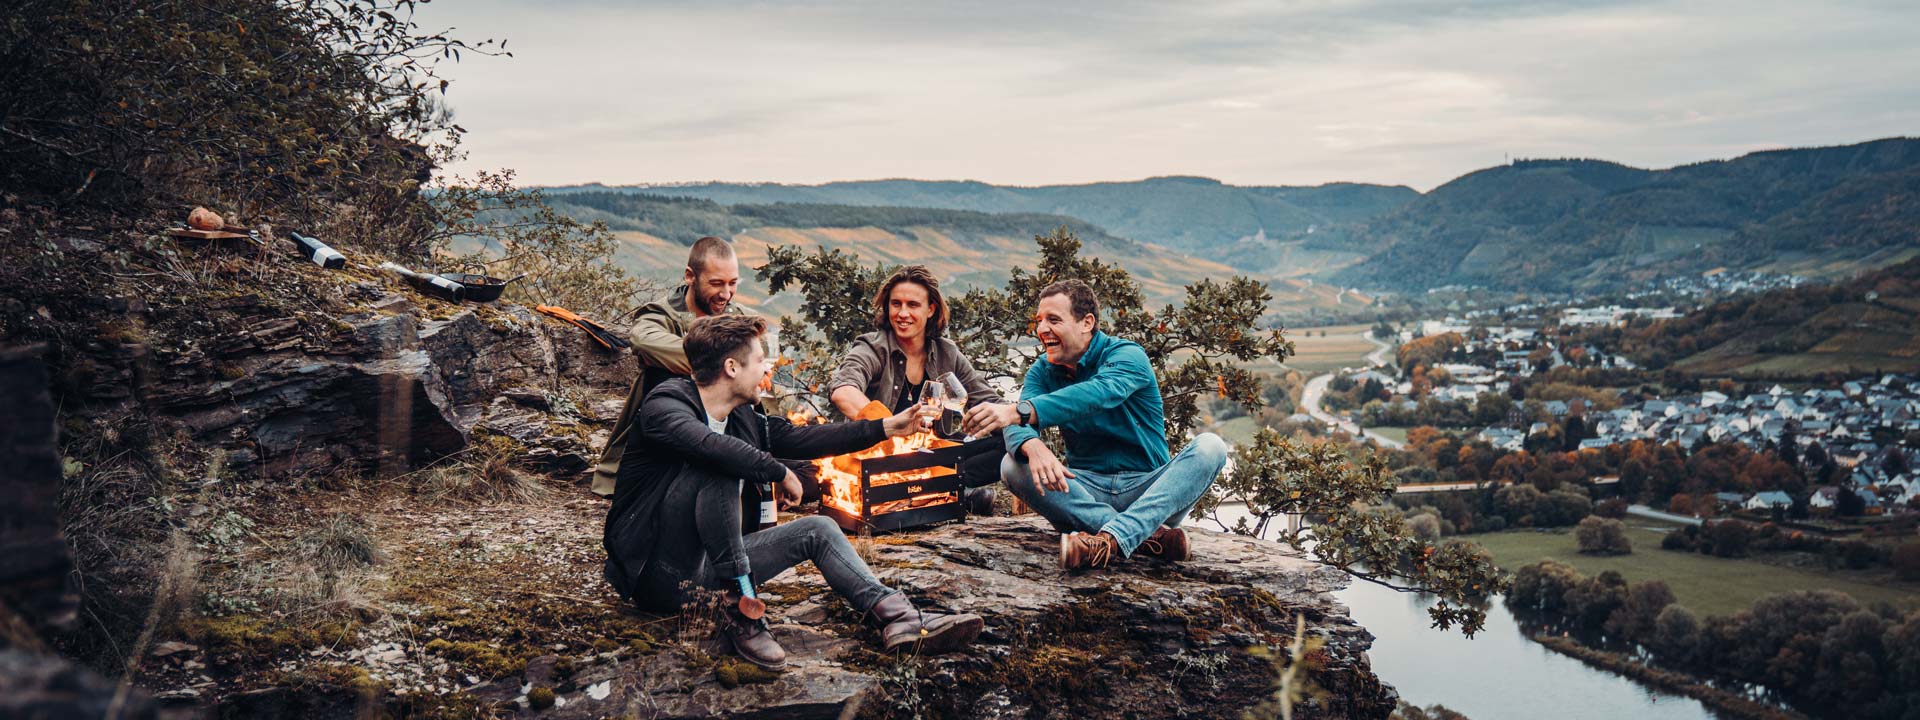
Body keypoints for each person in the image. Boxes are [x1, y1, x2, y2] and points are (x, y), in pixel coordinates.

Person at [603, 314, 983, 670]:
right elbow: (711, 448)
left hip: (709, 575)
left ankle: (897, 616)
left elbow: (800, 437)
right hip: (658, 574)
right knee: (717, 467)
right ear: (731, 368)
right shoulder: (665, 405)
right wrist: (779, 471)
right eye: (759, 361)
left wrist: (886, 427)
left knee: (817, 529)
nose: (767, 370)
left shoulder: (742, 417)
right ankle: (742, 610)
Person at [962, 279, 1227, 571]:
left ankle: (1110, 540)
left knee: (1211, 447)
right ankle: (1151, 537)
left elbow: (1098, 394)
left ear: (1086, 322)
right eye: (1039, 321)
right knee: (1012, 466)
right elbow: (1015, 425)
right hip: (1085, 492)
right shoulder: (1043, 370)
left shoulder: (1127, 356)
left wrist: (1021, 411)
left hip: (1146, 490)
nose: (1042, 330)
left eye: (1053, 320)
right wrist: (1032, 445)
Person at [828, 265, 1003, 514]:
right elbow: (843, 390)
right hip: (883, 460)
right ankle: (948, 493)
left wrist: (1020, 423)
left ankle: (941, 489)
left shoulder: (946, 352)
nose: (902, 313)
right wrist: (890, 427)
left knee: (1009, 443)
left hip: (932, 457)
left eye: (913, 305)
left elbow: (990, 402)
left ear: (931, 309)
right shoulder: (872, 348)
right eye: (896, 304)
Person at [591, 236, 742, 497]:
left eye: (732, 283)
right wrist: (728, 363)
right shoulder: (660, 314)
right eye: (716, 283)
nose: (726, 294)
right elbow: (643, 341)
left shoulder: (738, 317)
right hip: (666, 438)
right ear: (690, 276)